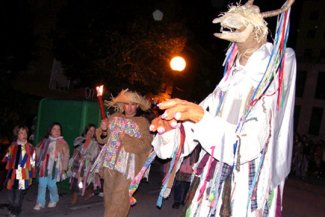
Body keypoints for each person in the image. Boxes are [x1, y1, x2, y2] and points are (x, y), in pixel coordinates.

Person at [150, 0, 296, 216]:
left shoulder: (268, 85)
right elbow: (184, 137)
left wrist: (201, 118)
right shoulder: (225, 87)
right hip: (208, 189)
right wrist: (170, 130)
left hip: (244, 189)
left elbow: (245, 147)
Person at [91, 89, 153, 217]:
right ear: (122, 105)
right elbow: (103, 139)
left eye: (132, 104)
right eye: (126, 104)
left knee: (120, 198)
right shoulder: (114, 117)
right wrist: (103, 130)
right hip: (109, 162)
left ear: (137, 106)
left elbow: (146, 145)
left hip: (128, 167)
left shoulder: (142, 122)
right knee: (109, 196)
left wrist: (126, 138)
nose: (129, 108)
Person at [33, 122, 70, 210]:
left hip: (55, 168)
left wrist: (64, 168)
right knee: (42, 184)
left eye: (58, 129)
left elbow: (66, 156)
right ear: (50, 131)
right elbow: (38, 152)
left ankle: (54, 199)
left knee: (51, 185)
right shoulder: (44, 141)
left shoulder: (63, 143)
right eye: (54, 129)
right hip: (44, 167)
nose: (57, 131)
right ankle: (40, 202)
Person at [2, 125, 36, 217]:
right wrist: (7, 157)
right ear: (17, 135)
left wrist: (32, 172)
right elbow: (7, 157)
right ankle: (11, 209)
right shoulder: (13, 146)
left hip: (23, 175)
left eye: (25, 133)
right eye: (21, 132)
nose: (24, 135)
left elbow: (33, 161)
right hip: (12, 174)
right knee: (10, 195)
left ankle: (15, 212)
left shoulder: (30, 147)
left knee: (18, 196)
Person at [68, 124, 101, 205]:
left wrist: (86, 157)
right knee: (74, 180)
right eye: (90, 130)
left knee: (86, 182)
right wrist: (84, 141)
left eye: (93, 131)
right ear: (86, 130)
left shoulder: (95, 144)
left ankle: (88, 192)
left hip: (87, 167)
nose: (91, 132)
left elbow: (94, 155)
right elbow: (75, 146)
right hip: (77, 164)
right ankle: (75, 196)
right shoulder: (79, 139)